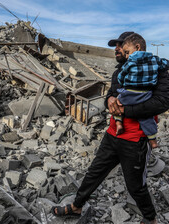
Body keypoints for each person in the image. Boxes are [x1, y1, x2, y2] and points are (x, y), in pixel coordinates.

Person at [51, 32, 169, 224]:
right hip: (112, 135)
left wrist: (125, 110)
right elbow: (109, 98)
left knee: (136, 186)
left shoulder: (156, 70)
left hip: (135, 140)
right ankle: (76, 206)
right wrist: (111, 100)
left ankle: (151, 219)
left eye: (120, 45)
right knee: (94, 173)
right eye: (116, 46)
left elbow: (163, 102)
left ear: (135, 48)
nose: (116, 49)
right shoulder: (119, 72)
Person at [114, 33, 169, 149]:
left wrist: (122, 84)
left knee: (117, 103)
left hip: (129, 93)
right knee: (146, 118)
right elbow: (165, 63)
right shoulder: (154, 59)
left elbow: (121, 75)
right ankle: (153, 139)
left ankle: (118, 123)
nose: (127, 56)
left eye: (127, 52)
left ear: (137, 47)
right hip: (146, 94)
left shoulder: (130, 62)